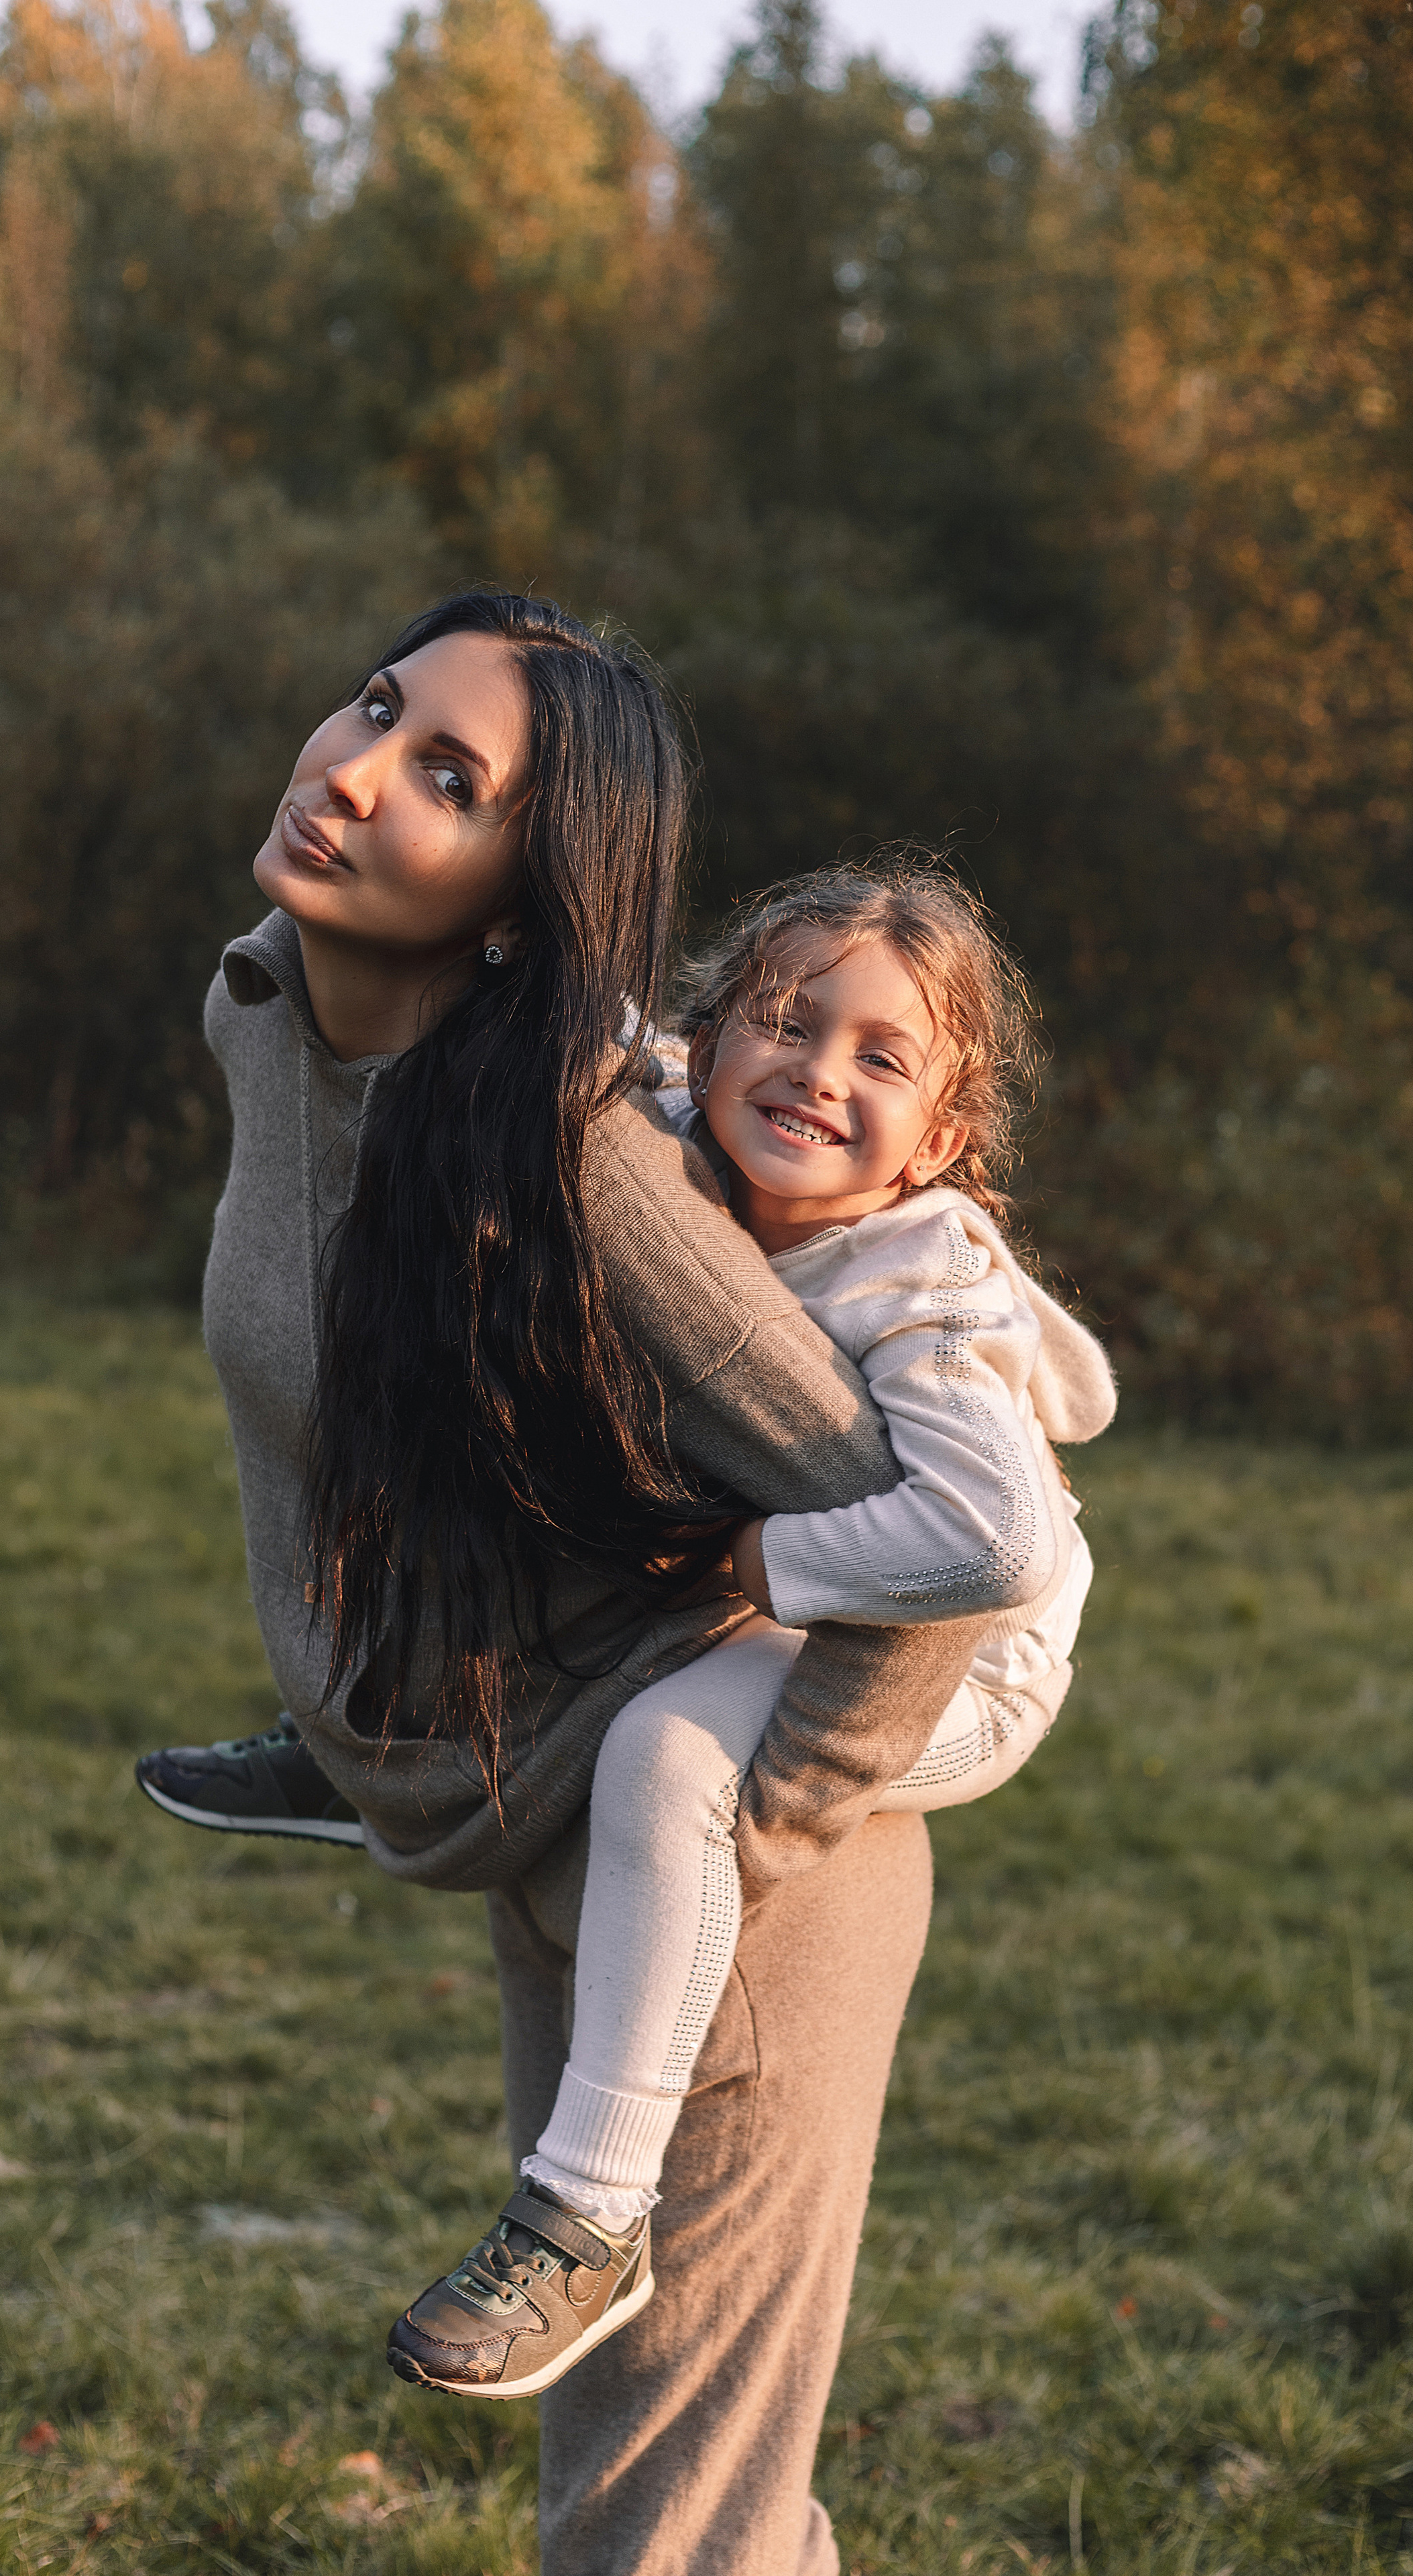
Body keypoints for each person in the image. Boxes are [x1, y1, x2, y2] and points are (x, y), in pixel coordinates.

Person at [138, 588, 1037, 2576]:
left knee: (663, 2538)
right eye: (377, 707)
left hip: (739, 1849)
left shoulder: (587, 1165)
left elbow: (952, 1550)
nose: (355, 771)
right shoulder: (273, 1007)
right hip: (542, 1784)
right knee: (689, 2516)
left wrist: (781, 1804)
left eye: (447, 778)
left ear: (526, 895)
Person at [380, 861, 1115, 2404]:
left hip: (970, 1666)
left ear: (944, 1140)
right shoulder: (677, 1146)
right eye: (782, 1022)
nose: (816, 1071)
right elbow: (600, 1038)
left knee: (665, 1747)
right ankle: (375, 1737)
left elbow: (994, 1543)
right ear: (708, 1044)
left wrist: (763, 1556)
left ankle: (587, 2208)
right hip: (815, 1595)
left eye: (879, 1057)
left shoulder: (911, 1284)